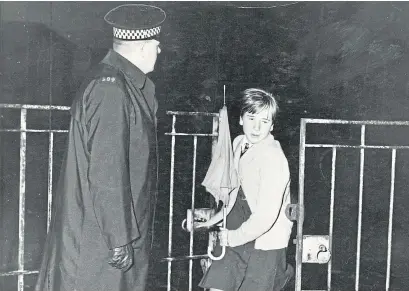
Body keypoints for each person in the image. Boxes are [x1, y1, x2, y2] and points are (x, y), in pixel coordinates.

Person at [35, 4, 166, 291]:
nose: (159, 50)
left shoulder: (122, 85)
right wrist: (118, 238)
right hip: (102, 240)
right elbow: (108, 171)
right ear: (142, 47)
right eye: (156, 44)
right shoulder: (112, 90)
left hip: (106, 234)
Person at [197, 88, 294, 291]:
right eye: (251, 118)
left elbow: (265, 217)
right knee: (216, 286)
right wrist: (213, 220)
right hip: (235, 226)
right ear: (241, 119)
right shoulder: (239, 142)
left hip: (263, 239)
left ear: (272, 125)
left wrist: (233, 237)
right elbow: (235, 190)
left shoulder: (274, 158)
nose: (257, 127)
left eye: (265, 121)